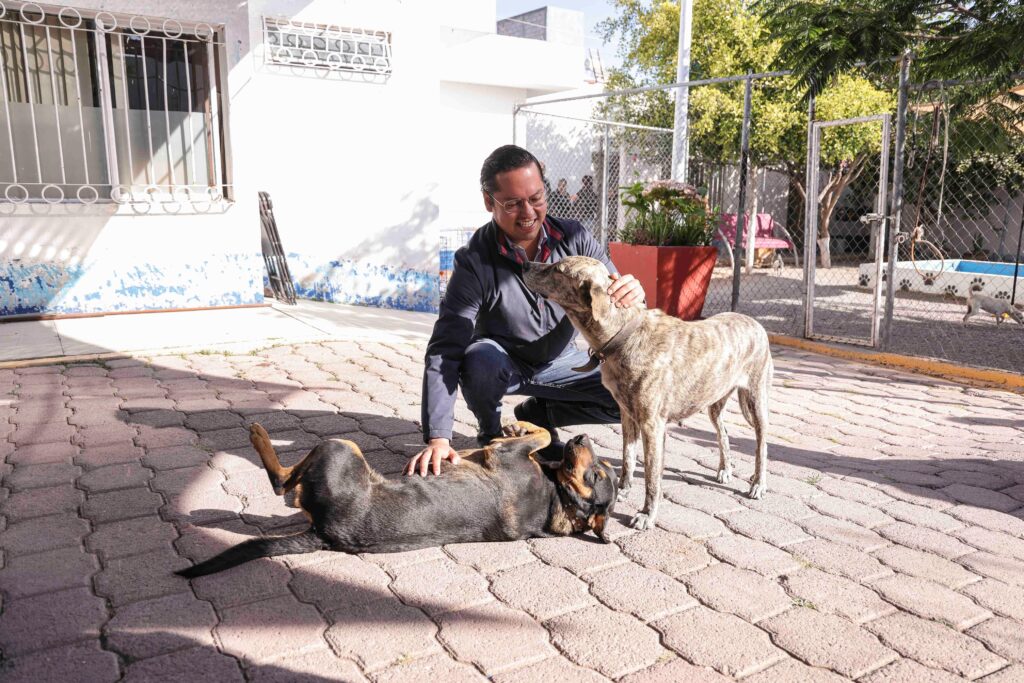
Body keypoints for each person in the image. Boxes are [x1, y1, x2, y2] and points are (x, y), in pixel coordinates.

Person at [407, 145, 645, 476]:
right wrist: (438, 438)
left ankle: (540, 416)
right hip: (504, 364)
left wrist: (635, 295)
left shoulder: (575, 239)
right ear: (489, 201)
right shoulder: (473, 261)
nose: (528, 212)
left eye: (536, 198)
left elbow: (618, 302)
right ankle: (493, 435)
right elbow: (445, 349)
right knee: (478, 360)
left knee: (634, 395)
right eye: (513, 203)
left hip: (564, 362)